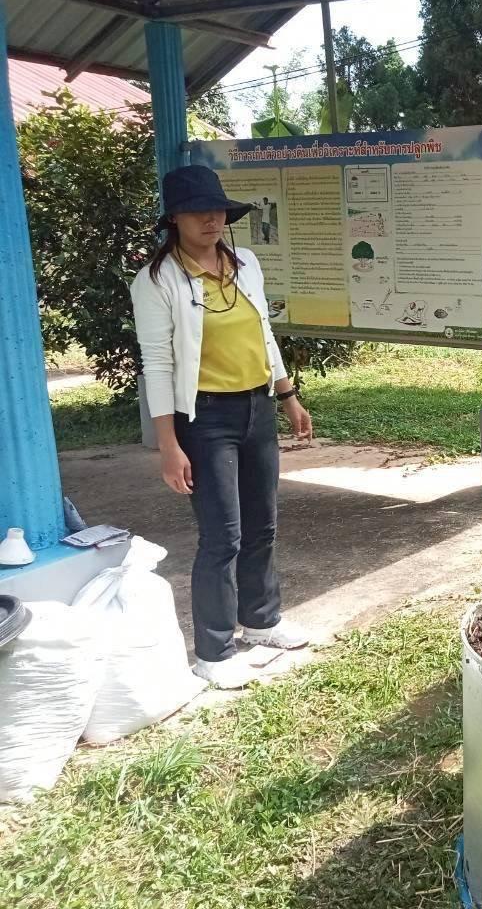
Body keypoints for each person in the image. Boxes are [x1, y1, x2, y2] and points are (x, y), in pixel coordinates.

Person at [131, 165, 314, 690]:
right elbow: (158, 364)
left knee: (264, 523)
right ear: (175, 218)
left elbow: (264, 333)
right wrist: (168, 443)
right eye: (197, 211)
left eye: (218, 210)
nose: (212, 219)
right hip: (204, 418)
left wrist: (287, 395)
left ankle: (262, 621)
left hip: (257, 407)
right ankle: (213, 650)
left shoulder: (244, 263)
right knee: (222, 535)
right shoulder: (158, 279)